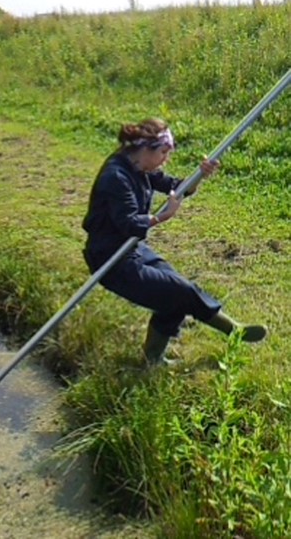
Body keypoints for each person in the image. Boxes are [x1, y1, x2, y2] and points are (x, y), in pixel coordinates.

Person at [82, 118, 267, 365]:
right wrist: (163, 216)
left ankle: (152, 360)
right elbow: (128, 223)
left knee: (176, 291)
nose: (165, 159)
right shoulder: (116, 176)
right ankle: (234, 330)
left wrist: (200, 174)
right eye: (163, 152)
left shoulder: (140, 167)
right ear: (145, 149)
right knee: (179, 292)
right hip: (111, 261)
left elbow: (174, 187)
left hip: (132, 250)